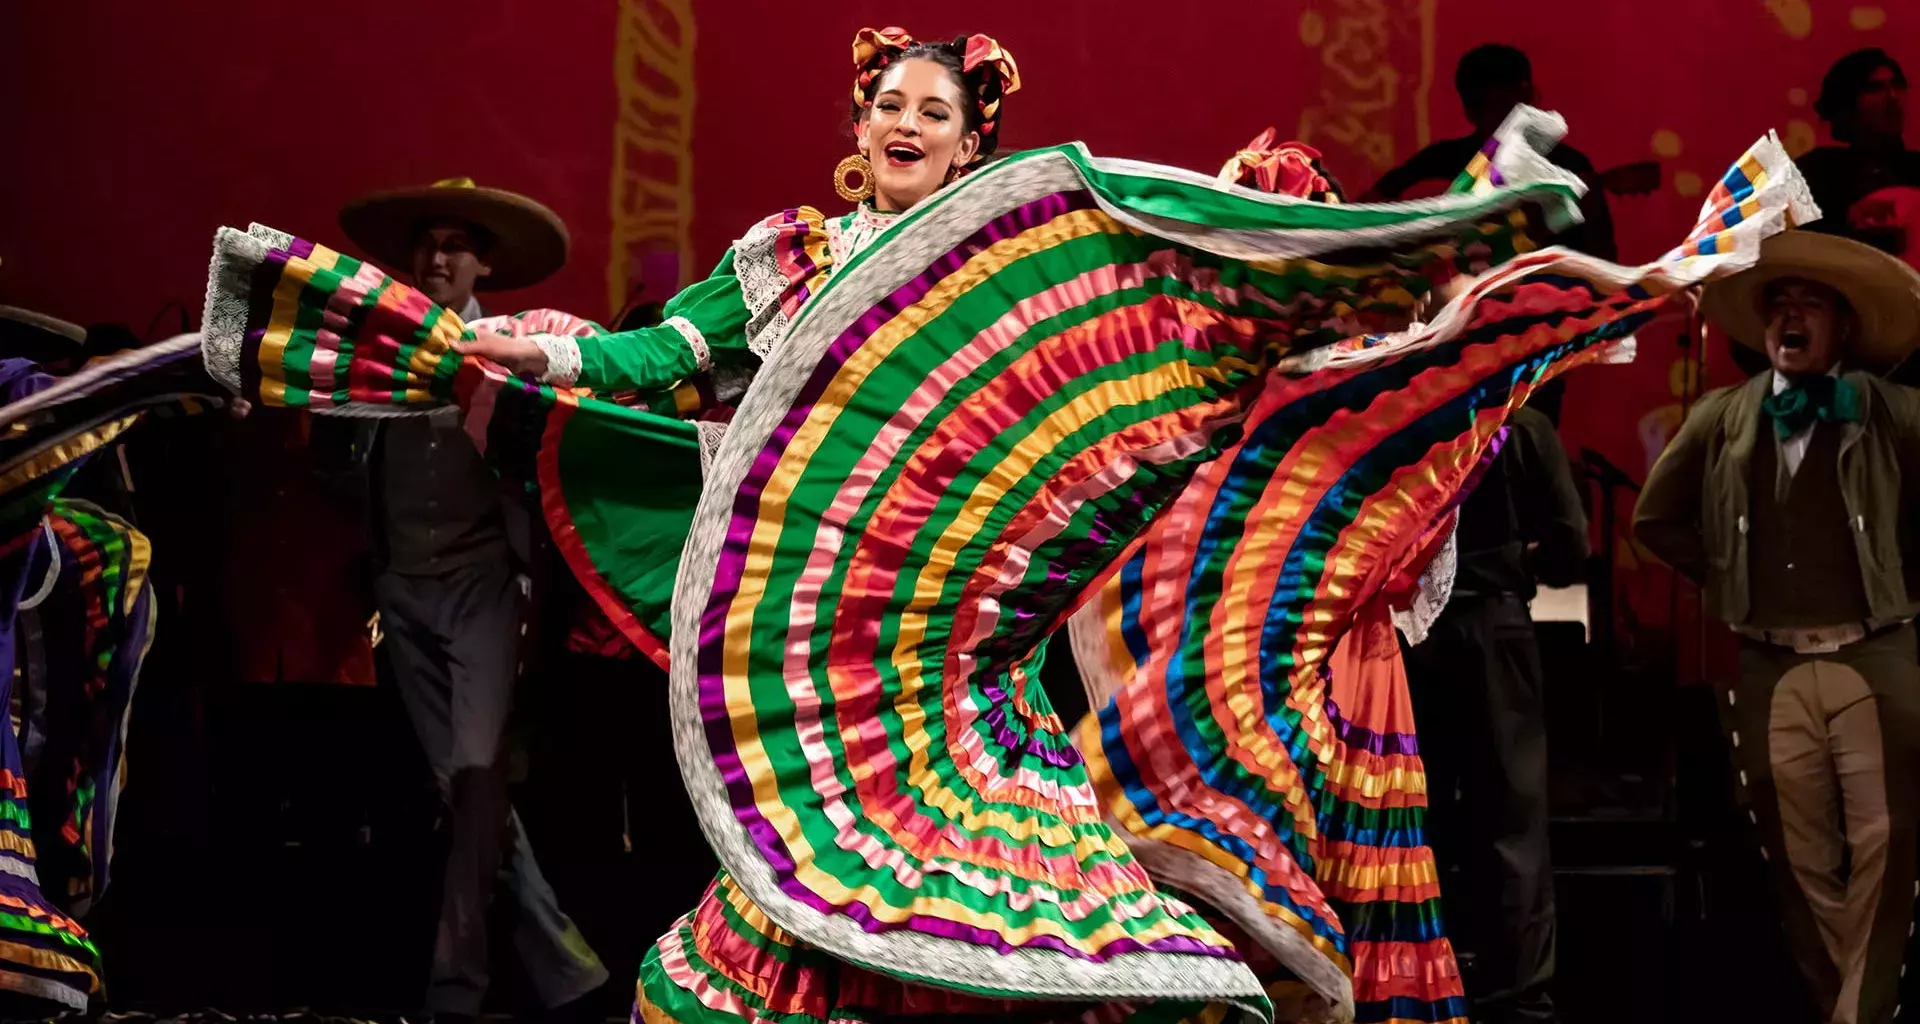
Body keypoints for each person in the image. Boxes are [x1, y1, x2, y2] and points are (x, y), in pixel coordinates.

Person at [198, 27, 1805, 1018]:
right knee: (777, 914)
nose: (901, 123)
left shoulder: (1025, 267)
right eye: (884, 103)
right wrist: (521, 347)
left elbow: (1157, 315)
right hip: (814, 659)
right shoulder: (788, 257)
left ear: (973, 145)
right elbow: (657, 359)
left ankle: (1171, 986)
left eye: (930, 112)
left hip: (973, 650)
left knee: (1006, 893)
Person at [333, 178, 607, 1023]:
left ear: (483, 261)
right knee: (464, 788)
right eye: (428, 243)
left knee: (479, 776)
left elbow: (554, 456)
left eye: (456, 244)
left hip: (482, 588)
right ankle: (565, 967)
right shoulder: (379, 352)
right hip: (403, 592)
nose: (439, 258)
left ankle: (458, 990)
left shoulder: (510, 348)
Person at [1634, 230, 1920, 1024]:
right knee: (1795, 860)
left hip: (1876, 651)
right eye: (1778, 305)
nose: (1790, 317)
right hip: (1768, 663)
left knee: (1887, 851)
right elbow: (1656, 519)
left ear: (1843, 326)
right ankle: (1853, 1007)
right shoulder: (1725, 415)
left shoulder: (1895, 411)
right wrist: (1728, 573)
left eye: (1810, 304)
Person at [1403, 404, 1589, 1024]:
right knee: (1513, 819)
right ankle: (1520, 998)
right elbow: (1570, 546)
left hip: (1405, 635)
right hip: (1493, 626)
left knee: (1413, 813)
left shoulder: (1408, 406)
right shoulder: (1521, 422)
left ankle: (1418, 976)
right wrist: (1519, 561)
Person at [1366, 43, 1617, 262]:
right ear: (1472, 113)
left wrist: (1588, 215)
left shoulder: (1568, 164)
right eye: (1503, 107)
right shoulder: (1439, 161)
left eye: (1526, 103)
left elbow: (1603, 262)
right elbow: (1366, 215)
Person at [1798, 49, 1919, 256]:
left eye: (1897, 85)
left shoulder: (1916, 168)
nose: (1892, 97)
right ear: (1847, 103)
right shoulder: (1817, 171)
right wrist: (1847, 217)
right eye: (1874, 88)